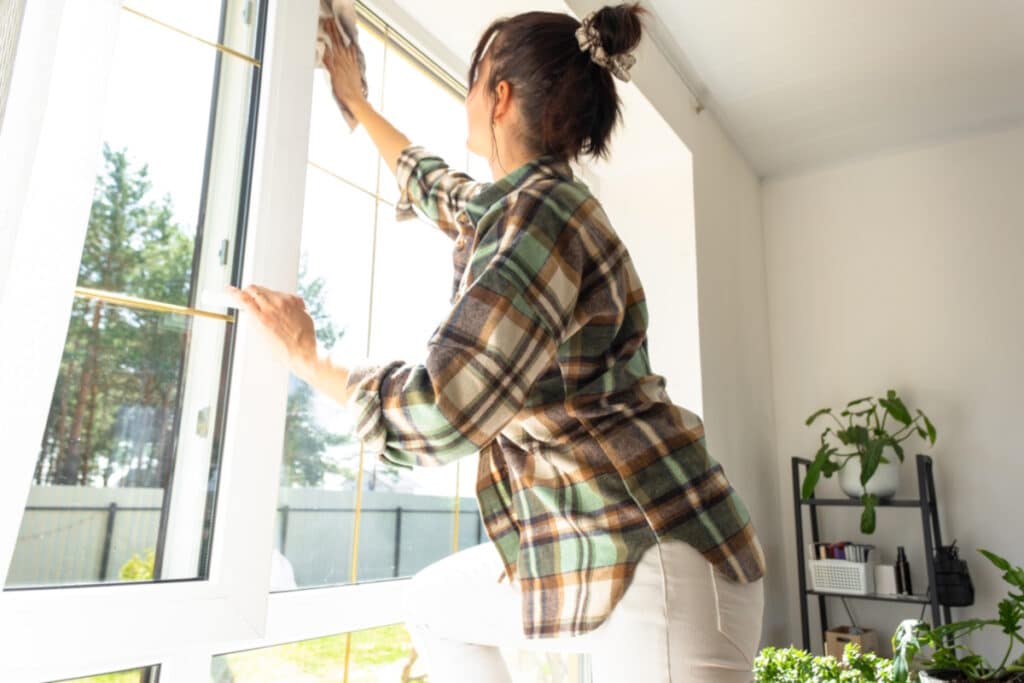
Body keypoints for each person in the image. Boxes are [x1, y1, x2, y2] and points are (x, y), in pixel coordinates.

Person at [228, 5, 766, 682]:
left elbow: (444, 407)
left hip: (657, 565)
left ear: (499, 93)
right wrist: (356, 101)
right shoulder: (527, 206)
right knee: (434, 607)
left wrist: (308, 357)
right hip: (627, 552)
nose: (467, 95)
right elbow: (439, 189)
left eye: (471, 79)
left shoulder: (539, 215)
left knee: (437, 607)